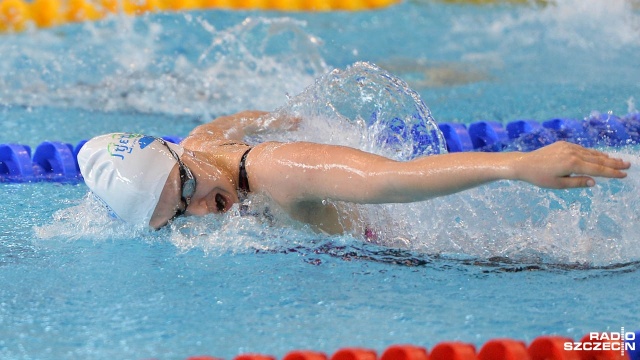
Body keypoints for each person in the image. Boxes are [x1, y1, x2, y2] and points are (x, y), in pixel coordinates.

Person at [77, 110, 631, 233]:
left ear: (178, 153)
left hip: (415, 247)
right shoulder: (201, 145)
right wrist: (287, 115)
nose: (200, 209)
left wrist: (517, 164)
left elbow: (391, 180)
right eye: (176, 216)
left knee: (600, 347)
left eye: (189, 188)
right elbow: (240, 121)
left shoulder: (280, 170)